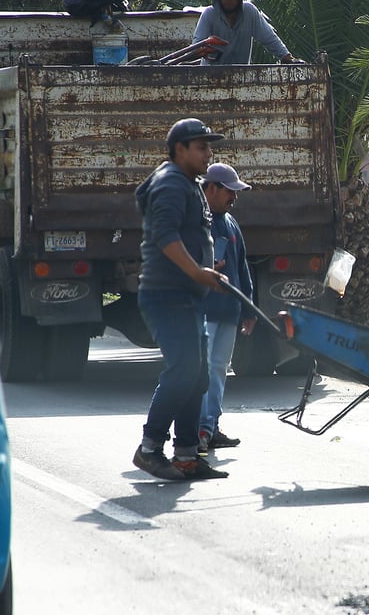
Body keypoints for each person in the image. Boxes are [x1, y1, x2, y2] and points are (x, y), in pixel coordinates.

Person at [132, 118, 231, 481]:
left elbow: (186, 240)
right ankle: (150, 448)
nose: (209, 154)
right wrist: (197, 272)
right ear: (180, 150)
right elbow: (165, 236)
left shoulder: (187, 183)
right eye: (202, 147)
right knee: (184, 371)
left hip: (185, 294)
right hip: (166, 294)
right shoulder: (171, 183)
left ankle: (187, 456)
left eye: (209, 146)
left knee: (199, 376)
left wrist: (208, 268)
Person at [199, 162, 256, 454]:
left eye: (236, 192)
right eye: (229, 192)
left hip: (230, 310)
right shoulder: (199, 219)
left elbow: (242, 266)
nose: (234, 197)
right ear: (211, 188)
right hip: (204, 310)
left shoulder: (231, 223)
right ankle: (197, 429)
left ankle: (211, 426)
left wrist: (249, 309)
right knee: (202, 370)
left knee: (219, 369)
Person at [193, 0, 298, 65]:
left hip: (241, 77)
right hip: (210, 77)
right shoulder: (209, 14)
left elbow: (268, 37)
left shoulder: (249, 12)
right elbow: (196, 45)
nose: (228, 1)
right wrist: (206, 50)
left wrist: (286, 57)